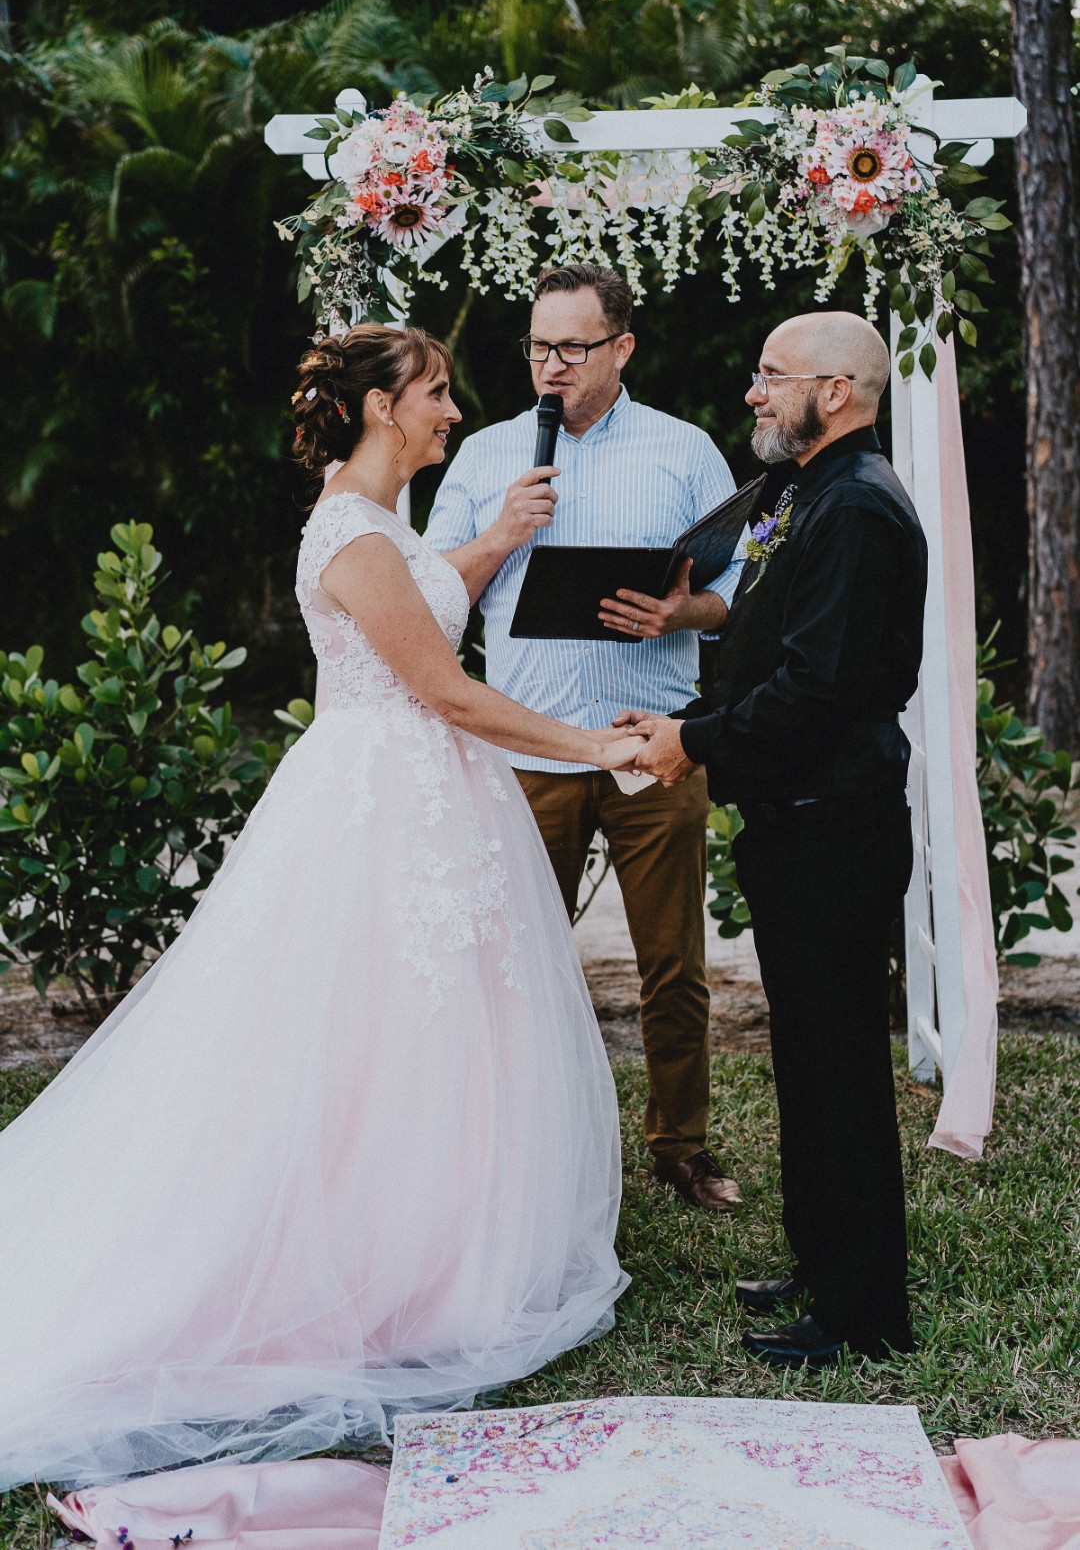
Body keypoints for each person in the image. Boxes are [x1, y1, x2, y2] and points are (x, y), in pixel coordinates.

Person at [0, 324, 643, 1493]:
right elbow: (443, 688)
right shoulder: (350, 527)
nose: (454, 410)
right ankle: (364, 1260)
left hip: (424, 800)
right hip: (382, 807)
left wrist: (496, 538)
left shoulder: (383, 526)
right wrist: (594, 745)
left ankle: (437, 1250)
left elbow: (427, 605)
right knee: (364, 1034)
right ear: (381, 409)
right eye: (436, 392)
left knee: (433, 1031)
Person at [623, 310, 928, 1366]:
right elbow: (762, 636)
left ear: (835, 390)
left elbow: (816, 687)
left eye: (772, 375)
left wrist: (690, 741)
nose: (753, 392)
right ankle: (822, 1261)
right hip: (797, 820)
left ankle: (861, 1313)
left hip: (833, 824)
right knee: (806, 1058)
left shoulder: (854, 509)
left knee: (839, 1065)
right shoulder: (805, 494)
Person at [426, 261, 746, 1215]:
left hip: (652, 745)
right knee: (515, 962)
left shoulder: (686, 451)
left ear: (622, 348)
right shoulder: (485, 457)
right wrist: (503, 533)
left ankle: (679, 1147)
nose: (550, 366)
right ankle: (515, 1144)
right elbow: (430, 596)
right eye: (537, 347)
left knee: (672, 963)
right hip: (529, 751)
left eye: (572, 347)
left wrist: (682, 609)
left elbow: (743, 596)